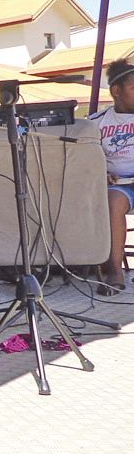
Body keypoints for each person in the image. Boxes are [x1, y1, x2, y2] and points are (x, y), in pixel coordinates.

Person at [90, 58, 134, 296]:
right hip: (120, 185)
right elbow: (84, 158)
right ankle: (114, 270)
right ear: (116, 91)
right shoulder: (96, 122)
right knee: (113, 202)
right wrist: (101, 174)